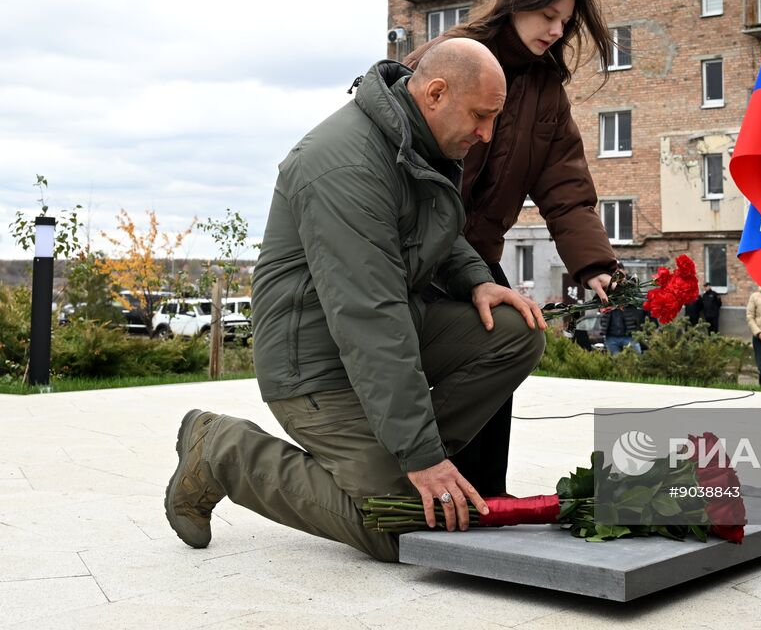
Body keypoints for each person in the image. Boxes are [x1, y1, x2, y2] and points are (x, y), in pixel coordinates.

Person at [163, 40, 548, 561]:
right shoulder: (345, 166)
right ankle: (224, 449)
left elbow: (431, 227)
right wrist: (420, 456)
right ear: (436, 93)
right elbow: (370, 318)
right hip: (315, 367)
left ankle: (406, 458)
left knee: (513, 333)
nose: (486, 134)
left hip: (374, 338)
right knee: (401, 527)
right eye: (481, 116)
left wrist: (475, 279)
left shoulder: (412, 140)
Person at [403, 0, 619, 495]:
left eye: (565, 21)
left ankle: (485, 495)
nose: (557, 30)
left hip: (478, 252)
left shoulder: (546, 92)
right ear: (517, 4)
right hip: (412, 248)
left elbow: (565, 185)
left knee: (506, 346)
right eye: (548, 15)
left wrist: (594, 264)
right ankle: (411, 474)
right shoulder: (450, 57)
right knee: (409, 363)